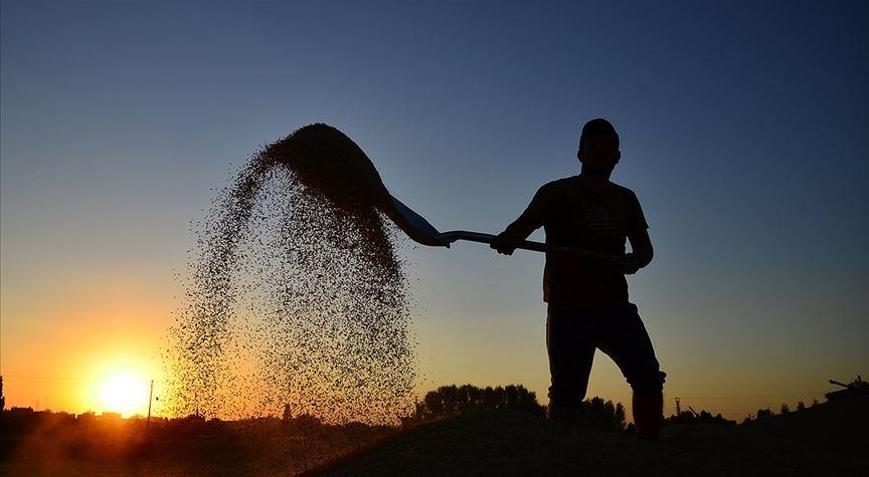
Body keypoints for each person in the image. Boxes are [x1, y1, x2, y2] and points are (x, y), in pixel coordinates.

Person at [490, 118, 666, 440]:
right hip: (568, 307)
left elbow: (645, 250)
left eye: (608, 148)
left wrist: (634, 261)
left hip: (614, 305)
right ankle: (561, 458)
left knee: (648, 377)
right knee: (567, 395)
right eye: (594, 148)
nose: (601, 153)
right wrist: (508, 239)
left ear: (617, 156)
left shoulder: (626, 199)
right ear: (580, 153)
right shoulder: (556, 193)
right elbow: (523, 225)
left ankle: (650, 451)